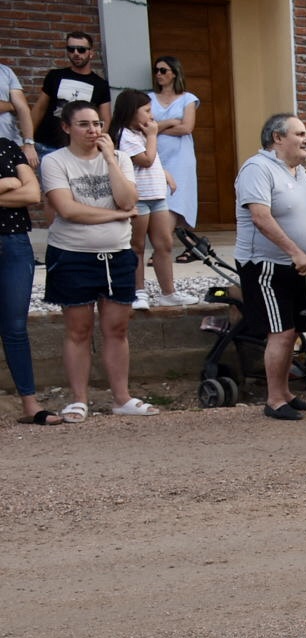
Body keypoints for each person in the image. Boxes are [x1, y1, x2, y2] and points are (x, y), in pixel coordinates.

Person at [38, 100, 157, 421]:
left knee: (117, 328)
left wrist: (109, 159)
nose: (93, 131)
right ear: (66, 128)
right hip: (72, 254)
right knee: (79, 329)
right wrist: (117, 215)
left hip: (117, 254)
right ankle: (79, 399)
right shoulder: (54, 161)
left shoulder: (118, 158)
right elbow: (68, 210)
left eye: (97, 124)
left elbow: (129, 199)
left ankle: (122, 397)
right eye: (84, 125)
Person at [235, 112, 306, 421]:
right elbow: (261, 217)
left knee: (294, 330)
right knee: (281, 332)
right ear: (277, 138)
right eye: (299, 134)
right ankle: (274, 399)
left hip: (303, 266)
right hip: (269, 265)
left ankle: (286, 392)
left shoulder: (298, 171)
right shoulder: (257, 168)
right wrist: (296, 251)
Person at [109, 89, 194, 309]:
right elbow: (145, 160)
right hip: (140, 198)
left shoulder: (141, 134)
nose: (151, 116)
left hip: (157, 195)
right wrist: (153, 135)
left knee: (164, 243)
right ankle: (138, 291)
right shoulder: (124, 134)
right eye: (146, 111)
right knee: (137, 246)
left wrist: (164, 173)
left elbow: (153, 161)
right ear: (131, 112)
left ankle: (168, 291)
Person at [0, 132, 56, 423]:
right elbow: (20, 189)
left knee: (15, 328)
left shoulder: (6, 147)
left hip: (13, 244)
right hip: (12, 245)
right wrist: (7, 183)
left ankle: (30, 404)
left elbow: (32, 194)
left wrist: (15, 186)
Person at [31, 32, 111, 159]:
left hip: (81, 148)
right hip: (47, 145)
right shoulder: (55, 76)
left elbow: (105, 119)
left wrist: (96, 143)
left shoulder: (100, 84)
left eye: (81, 49)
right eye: (71, 49)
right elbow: (40, 108)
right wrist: (27, 141)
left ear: (91, 53)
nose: (76, 53)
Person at [148, 55, 200, 240]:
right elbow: (145, 127)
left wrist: (157, 128)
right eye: (156, 70)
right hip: (156, 153)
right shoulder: (149, 98)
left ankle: (163, 244)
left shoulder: (188, 99)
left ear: (174, 73)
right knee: (159, 197)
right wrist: (169, 122)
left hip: (180, 156)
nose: (158, 74)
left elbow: (186, 127)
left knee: (175, 197)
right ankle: (165, 242)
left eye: (163, 70)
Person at [0, 61, 38, 168]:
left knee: (21, 183)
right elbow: (17, 106)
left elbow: (23, 108)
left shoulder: (6, 71)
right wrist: (11, 106)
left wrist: (29, 144)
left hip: (11, 143)